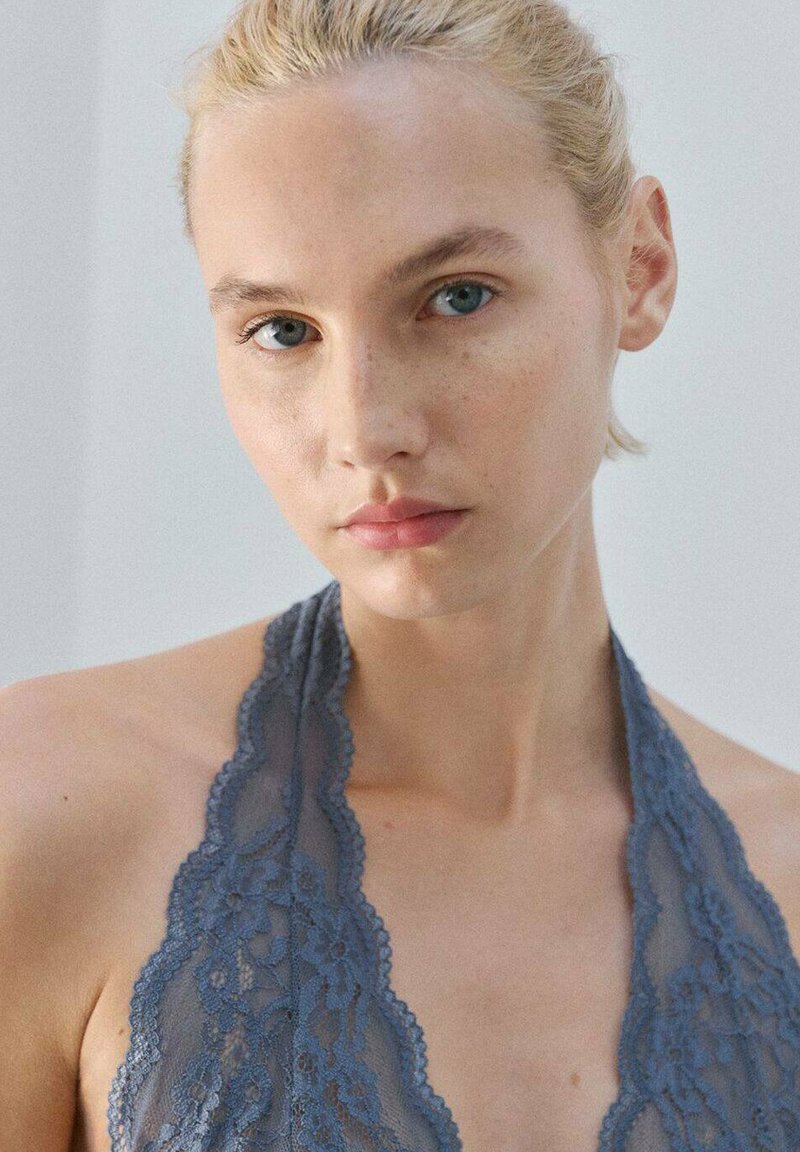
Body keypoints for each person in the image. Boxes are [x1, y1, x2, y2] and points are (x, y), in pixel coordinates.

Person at [2, 2, 799, 1149]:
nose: (365, 429)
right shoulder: (49, 814)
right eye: (283, 330)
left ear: (639, 266)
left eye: (455, 296)